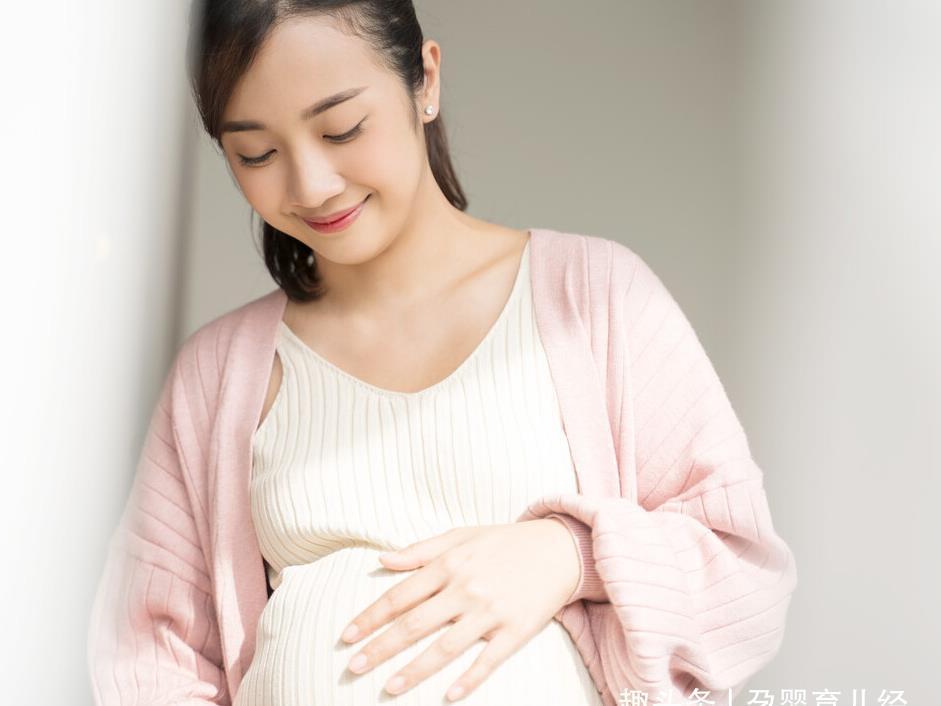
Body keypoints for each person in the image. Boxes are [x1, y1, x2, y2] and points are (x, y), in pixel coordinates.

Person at [86, 2, 798, 705]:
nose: (311, 185)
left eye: (342, 128)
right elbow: (153, 658)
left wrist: (569, 555)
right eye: (257, 153)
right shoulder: (218, 375)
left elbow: (744, 575)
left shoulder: (595, 298)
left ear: (424, 81)